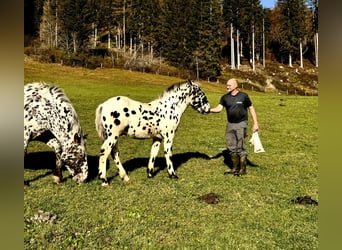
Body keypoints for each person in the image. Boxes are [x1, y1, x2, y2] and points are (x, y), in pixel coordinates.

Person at [210, 78, 259, 176]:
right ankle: (235, 168)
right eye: (227, 85)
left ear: (236, 85)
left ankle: (243, 170)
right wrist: (208, 110)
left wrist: (255, 123)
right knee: (231, 147)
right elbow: (219, 108)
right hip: (230, 125)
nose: (227, 86)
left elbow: (251, 108)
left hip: (241, 124)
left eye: (229, 85)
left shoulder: (244, 96)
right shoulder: (225, 97)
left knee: (241, 147)